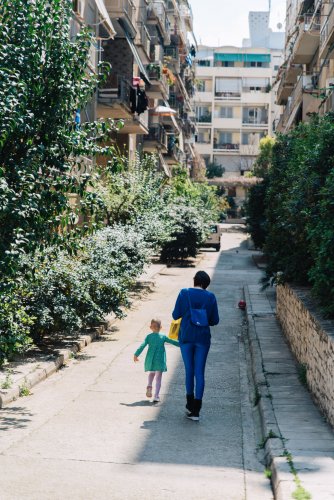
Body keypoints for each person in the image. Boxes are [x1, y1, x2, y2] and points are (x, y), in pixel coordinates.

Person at [172, 271, 219, 421]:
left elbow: (175, 315)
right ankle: (197, 411)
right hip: (203, 339)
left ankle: (189, 404)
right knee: (200, 372)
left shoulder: (184, 293)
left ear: (194, 280)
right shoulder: (210, 297)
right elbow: (214, 321)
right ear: (206, 284)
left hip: (186, 337)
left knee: (189, 371)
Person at [134, 318, 179, 402]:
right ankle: (156, 396)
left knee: (151, 373)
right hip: (160, 360)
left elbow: (142, 346)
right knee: (158, 378)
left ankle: (149, 386)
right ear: (160, 327)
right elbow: (173, 341)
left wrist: (136, 354)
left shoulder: (149, 337)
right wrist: (183, 344)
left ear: (150, 327)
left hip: (151, 359)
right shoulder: (163, 337)